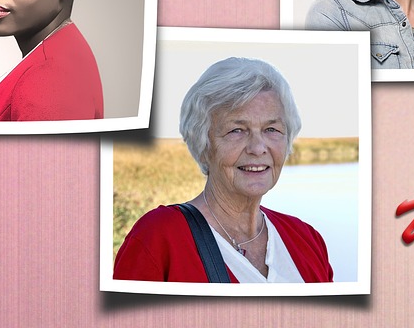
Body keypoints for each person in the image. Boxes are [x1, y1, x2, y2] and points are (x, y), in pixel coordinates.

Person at [113, 57, 332, 283]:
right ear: (203, 144)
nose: (258, 148)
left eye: (271, 129)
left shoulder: (306, 239)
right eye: (237, 130)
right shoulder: (158, 237)